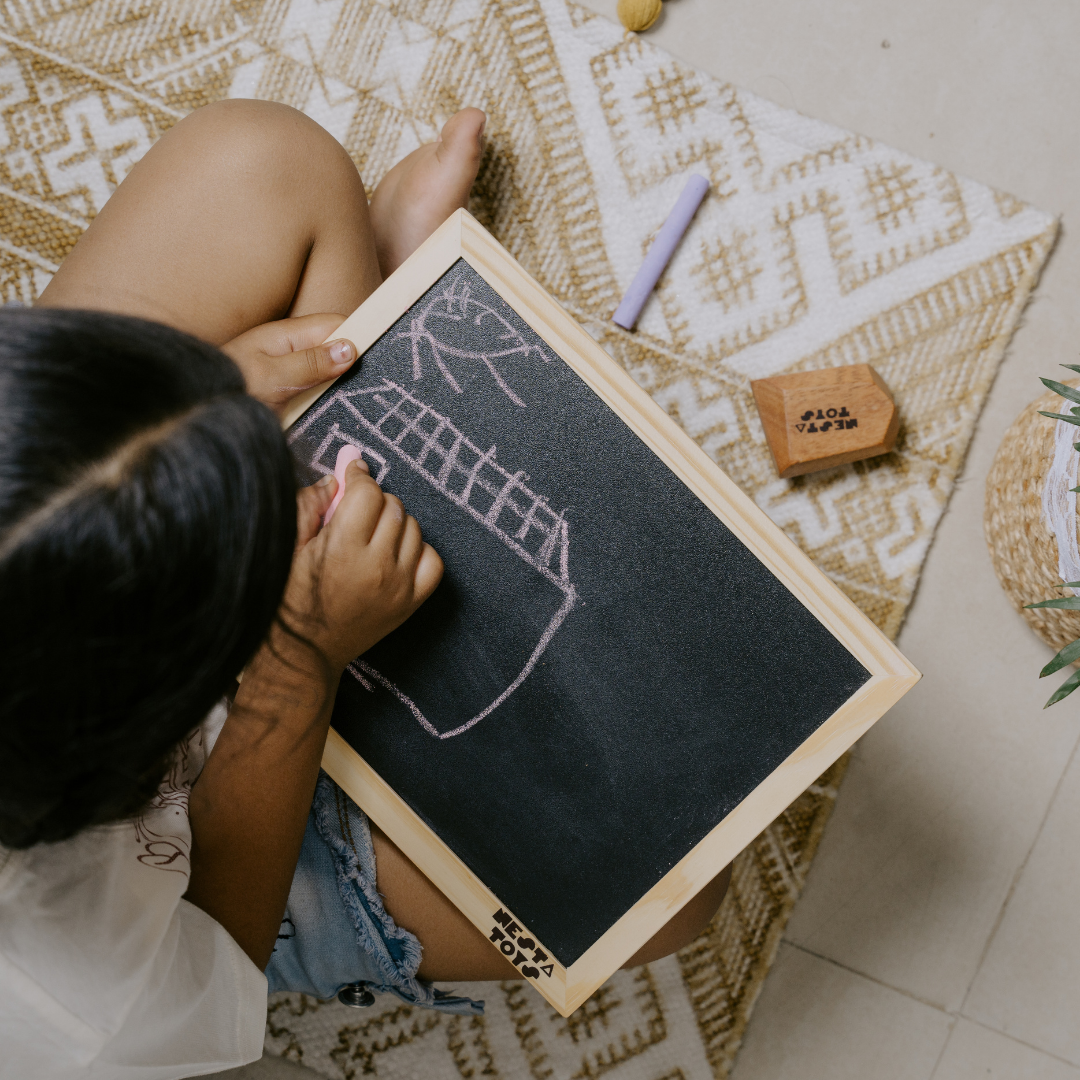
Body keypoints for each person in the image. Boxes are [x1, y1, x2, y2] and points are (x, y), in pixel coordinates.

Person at [0, 100, 731, 1078]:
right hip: (201, 858)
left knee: (265, 161)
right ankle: (375, 308)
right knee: (674, 881)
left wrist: (194, 402)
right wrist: (297, 669)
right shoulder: (77, 1000)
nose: (267, 445)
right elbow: (218, 951)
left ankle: (384, 304)